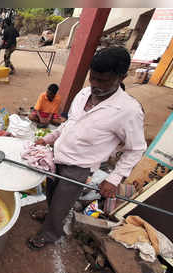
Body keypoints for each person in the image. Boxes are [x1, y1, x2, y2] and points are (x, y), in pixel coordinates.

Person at [27, 47, 147, 251]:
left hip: (79, 167)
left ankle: (50, 234)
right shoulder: (84, 93)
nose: (96, 85)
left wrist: (114, 178)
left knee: (62, 204)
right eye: (93, 78)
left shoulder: (129, 111)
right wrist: (48, 139)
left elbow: (136, 149)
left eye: (103, 81)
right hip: (57, 155)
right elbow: (69, 124)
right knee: (51, 192)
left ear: (122, 77)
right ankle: (50, 216)